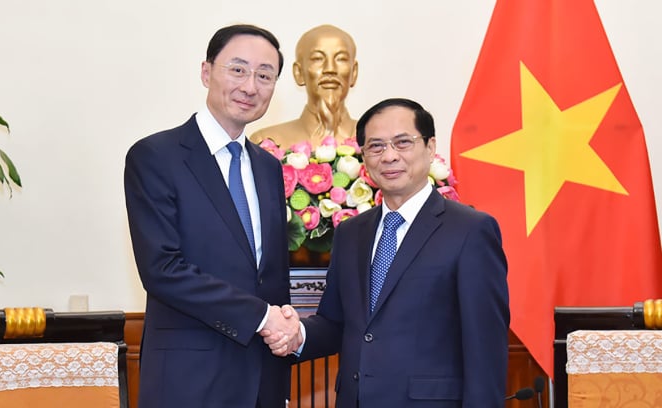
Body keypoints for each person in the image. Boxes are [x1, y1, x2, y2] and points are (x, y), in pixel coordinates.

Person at [264, 98, 510, 407]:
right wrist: (296, 333)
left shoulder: (471, 231)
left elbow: (485, 348)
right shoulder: (351, 233)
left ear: (430, 147)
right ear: (364, 156)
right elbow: (336, 324)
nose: (389, 156)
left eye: (402, 143)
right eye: (376, 147)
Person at [124, 24, 299, 408]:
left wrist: (281, 350)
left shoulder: (269, 168)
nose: (250, 86)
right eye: (237, 69)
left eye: (265, 76)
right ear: (206, 72)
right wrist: (261, 317)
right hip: (189, 381)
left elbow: (269, 275)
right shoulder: (156, 156)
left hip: (261, 381)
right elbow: (162, 269)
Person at [250, 24, 359, 149]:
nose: (330, 69)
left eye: (341, 59)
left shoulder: (374, 143)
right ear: (299, 72)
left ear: (354, 72)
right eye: (318, 58)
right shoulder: (267, 143)